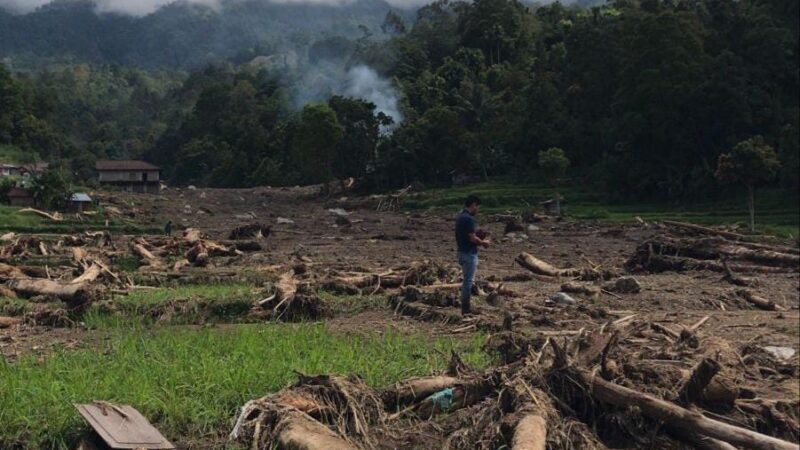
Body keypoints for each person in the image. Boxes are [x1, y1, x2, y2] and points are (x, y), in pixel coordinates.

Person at [454, 194, 490, 316]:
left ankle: (466, 307)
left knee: (467, 280)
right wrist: (483, 243)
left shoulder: (460, 217)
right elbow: (472, 238)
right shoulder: (469, 219)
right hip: (469, 253)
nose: (477, 210)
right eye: (477, 207)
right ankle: (466, 308)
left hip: (461, 251)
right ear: (473, 204)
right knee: (468, 281)